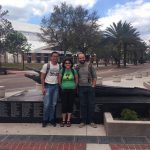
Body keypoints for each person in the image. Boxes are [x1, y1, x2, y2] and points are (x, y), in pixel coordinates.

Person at [77, 52, 97, 128]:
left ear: (85, 58)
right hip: (81, 88)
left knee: (91, 104)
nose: (81, 59)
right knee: (82, 105)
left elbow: (94, 76)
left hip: (90, 88)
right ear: (78, 59)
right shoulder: (77, 66)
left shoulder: (90, 65)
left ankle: (91, 121)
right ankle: (83, 121)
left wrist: (93, 85)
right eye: (80, 58)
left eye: (82, 58)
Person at [41, 52, 60, 127]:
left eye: (57, 56)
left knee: (53, 104)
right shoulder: (46, 65)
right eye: (54, 56)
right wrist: (43, 87)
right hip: (48, 86)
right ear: (51, 57)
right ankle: (45, 120)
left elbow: (59, 76)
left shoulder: (59, 66)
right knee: (46, 104)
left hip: (56, 87)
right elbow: (42, 77)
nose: (55, 58)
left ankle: (52, 119)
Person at [59, 58, 78, 127]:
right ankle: (63, 120)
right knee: (64, 105)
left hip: (72, 90)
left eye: (69, 63)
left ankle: (68, 120)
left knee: (70, 105)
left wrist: (74, 87)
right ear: (64, 64)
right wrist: (62, 87)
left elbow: (76, 80)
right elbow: (59, 81)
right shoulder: (62, 70)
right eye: (66, 63)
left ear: (71, 64)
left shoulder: (73, 71)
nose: (67, 64)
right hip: (64, 90)